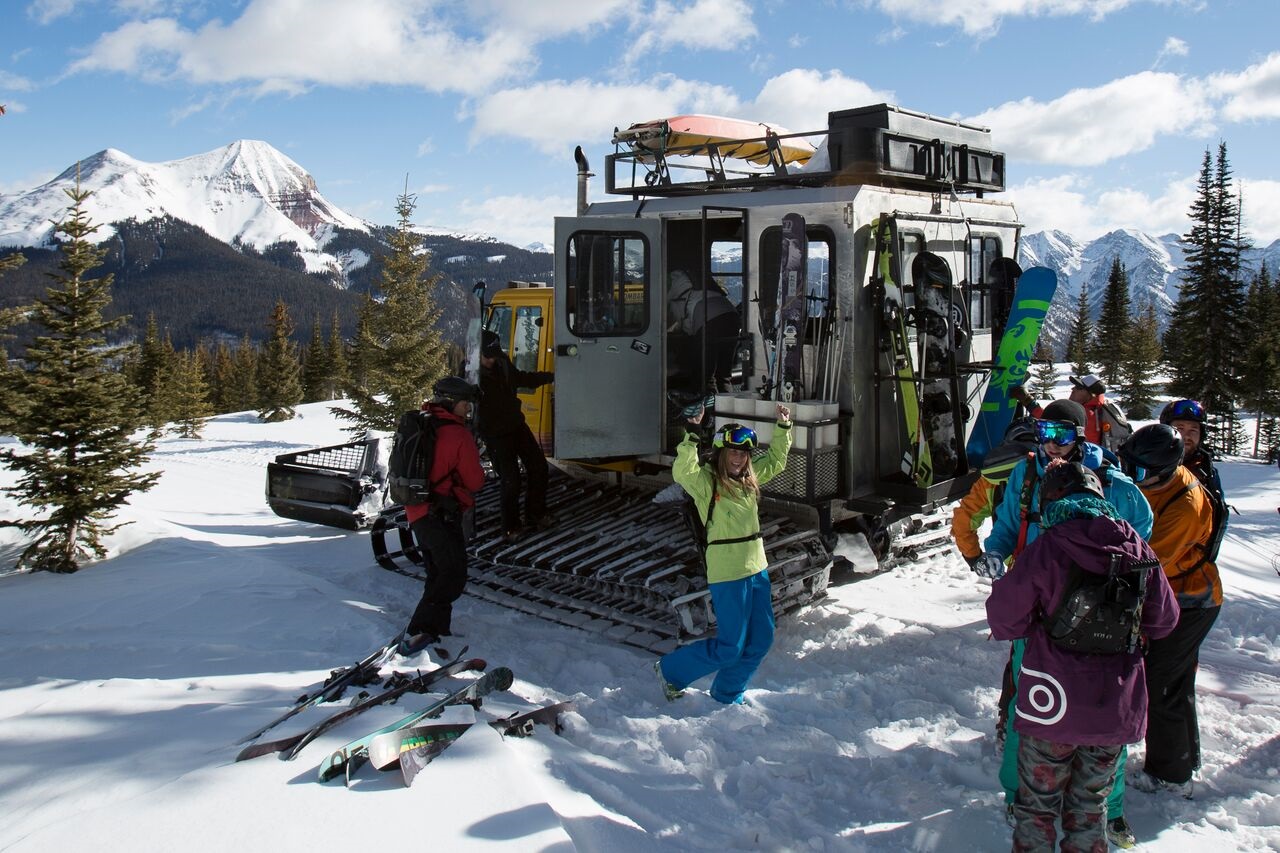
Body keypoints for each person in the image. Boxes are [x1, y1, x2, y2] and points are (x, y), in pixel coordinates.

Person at [973, 398, 1153, 846]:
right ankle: (1020, 793)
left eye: (1062, 434)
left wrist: (1118, 570)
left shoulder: (1108, 479)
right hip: (1042, 607)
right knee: (1031, 704)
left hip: (1105, 610)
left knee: (1108, 713)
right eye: (1044, 433)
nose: (1051, 444)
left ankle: (1109, 809)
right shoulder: (1028, 474)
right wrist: (995, 553)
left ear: (1080, 435)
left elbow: (1142, 525)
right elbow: (1007, 524)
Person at [987, 462, 1178, 853]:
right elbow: (1165, 620)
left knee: (1037, 807)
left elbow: (1004, 618)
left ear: (1052, 501)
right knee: (1091, 807)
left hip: (1052, 702)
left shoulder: (1049, 547)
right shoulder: (1135, 546)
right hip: (1113, 705)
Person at [654, 405, 792, 705]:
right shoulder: (707, 482)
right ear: (721, 453)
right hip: (728, 573)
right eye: (732, 452)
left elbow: (776, 461)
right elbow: (683, 471)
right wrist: (692, 434)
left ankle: (727, 694)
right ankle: (670, 671)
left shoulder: (749, 479)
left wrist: (783, 427)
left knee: (762, 639)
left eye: (743, 453)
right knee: (731, 647)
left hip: (757, 569)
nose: (739, 458)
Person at [1117, 423, 1221, 799]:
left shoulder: (1186, 506)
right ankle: (1184, 758)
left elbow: (1147, 560)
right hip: (1174, 596)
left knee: (1162, 683)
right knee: (1172, 681)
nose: (1131, 476)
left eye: (1138, 470)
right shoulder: (1156, 484)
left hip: (1190, 600)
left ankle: (1171, 774)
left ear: (1163, 469)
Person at [403, 376, 486, 648]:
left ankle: (438, 629)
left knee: (438, 572)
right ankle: (421, 630)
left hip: (418, 510)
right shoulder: (458, 434)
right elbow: (475, 481)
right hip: (441, 513)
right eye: (464, 403)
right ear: (451, 403)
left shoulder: (425, 423)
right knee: (452, 575)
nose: (468, 408)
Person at [477, 330, 554, 540]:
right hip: (495, 434)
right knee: (511, 480)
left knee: (539, 467)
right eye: (487, 356)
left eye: (494, 355)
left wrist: (548, 377)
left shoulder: (502, 364)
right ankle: (511, 527)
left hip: (516, 424)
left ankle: (536, 514)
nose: (492, 360)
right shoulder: (471, 376)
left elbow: (521, 378)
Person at [952, 416, 1038, 568]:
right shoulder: (1056, 467)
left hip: (1014, 561)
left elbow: (963, 521)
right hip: (1056, 562)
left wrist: (974, 558)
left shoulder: (991, 478)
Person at [667, 269, 742, 393]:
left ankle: (706, 403)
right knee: (723, 374)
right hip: (732, 316)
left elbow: (684, 325)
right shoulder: (699, 290)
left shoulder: (676, 297)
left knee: (705, 375)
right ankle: (726, 402)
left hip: (710, 321)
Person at [1012, 374, 1130, 452]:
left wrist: (1028, 402)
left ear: (1091, 395)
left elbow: (1052, 421)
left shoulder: (1087, 414)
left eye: (1079, 388)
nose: (1073, 389)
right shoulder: (1096, 410)